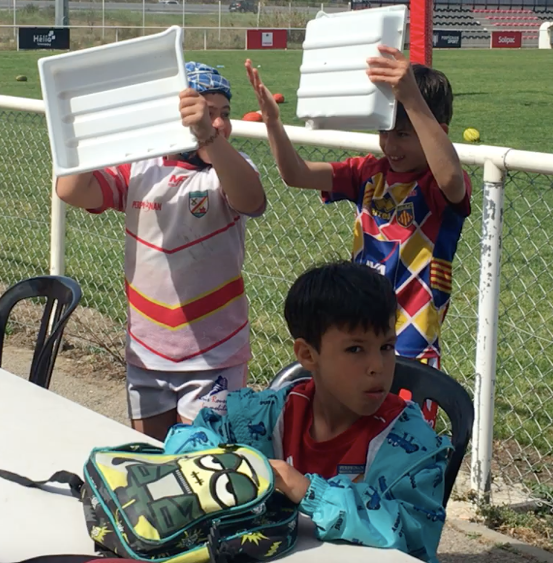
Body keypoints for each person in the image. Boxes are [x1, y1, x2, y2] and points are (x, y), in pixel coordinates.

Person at [245, 48, 471, 424]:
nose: (391, 145)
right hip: (354, 332)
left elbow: (451, 179)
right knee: (350, 434)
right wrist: (273, 123)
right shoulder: (368, 172)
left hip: (410, 340)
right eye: (385, 131)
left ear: (436, 131)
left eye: (403, 134)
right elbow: (296, 174)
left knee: (402, 440)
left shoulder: (437, 184)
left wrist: (412, 97)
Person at [166, 261, 449, 561]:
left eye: (387, 347)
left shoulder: (412, 445)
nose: (377, 367)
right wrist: (238, 464)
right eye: (356, 349)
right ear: (307, 354)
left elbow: (411, 534)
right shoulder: (270, 414)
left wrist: (306, 491)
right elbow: (184, 442)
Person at [56, 62, 267, 440]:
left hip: (214, 356)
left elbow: (252, 200)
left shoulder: (227, 168)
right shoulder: (140, 169)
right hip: (147, 351)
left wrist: (209, 139)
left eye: (223, 115)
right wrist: (89, 129)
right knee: (152, 457)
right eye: (205, 112)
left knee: (202, 467)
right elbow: (72, 190)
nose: (216, 123)